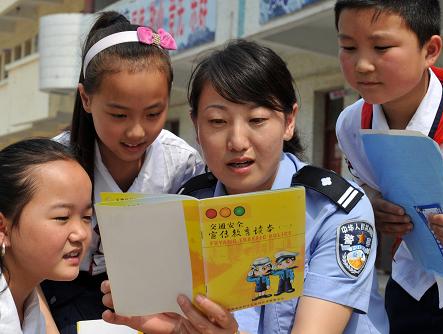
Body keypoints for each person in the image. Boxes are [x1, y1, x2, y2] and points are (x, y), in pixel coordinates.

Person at [101, 39, 389, 334]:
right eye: (217, 121)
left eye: (257, 119)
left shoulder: (336, 211)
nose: (237, 141)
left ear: (289, 121)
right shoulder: (186, 206)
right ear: (196, 127)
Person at [334, 1, 443, 333]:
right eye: (348, 47)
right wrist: (374, 208)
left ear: (430, 50)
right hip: (410, 286)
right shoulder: (351, 125)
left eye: (381, 47)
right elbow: (366, 188)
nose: (363, 64)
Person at [40, 11, 205, 334]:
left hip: (154, 303)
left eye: (153, 113)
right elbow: (25, 264)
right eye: (118, 114)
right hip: (60, 298)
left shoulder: (182, 164)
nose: (136, 132)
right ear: (86, 99)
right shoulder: (53, 164)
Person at [0, 139, 92, 334]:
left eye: (87, 217)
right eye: (62, 217)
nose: (81, 234)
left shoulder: (27, 307)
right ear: (3, 228)